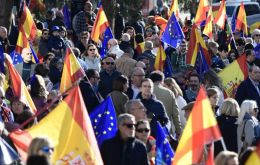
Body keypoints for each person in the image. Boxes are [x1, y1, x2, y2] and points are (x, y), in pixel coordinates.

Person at [150, 71, 181, 136]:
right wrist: (179, 131)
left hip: (150, 131)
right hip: (166, 130)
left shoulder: (146, 92)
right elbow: (175, 115)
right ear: (162, 81)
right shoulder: (169, 93)